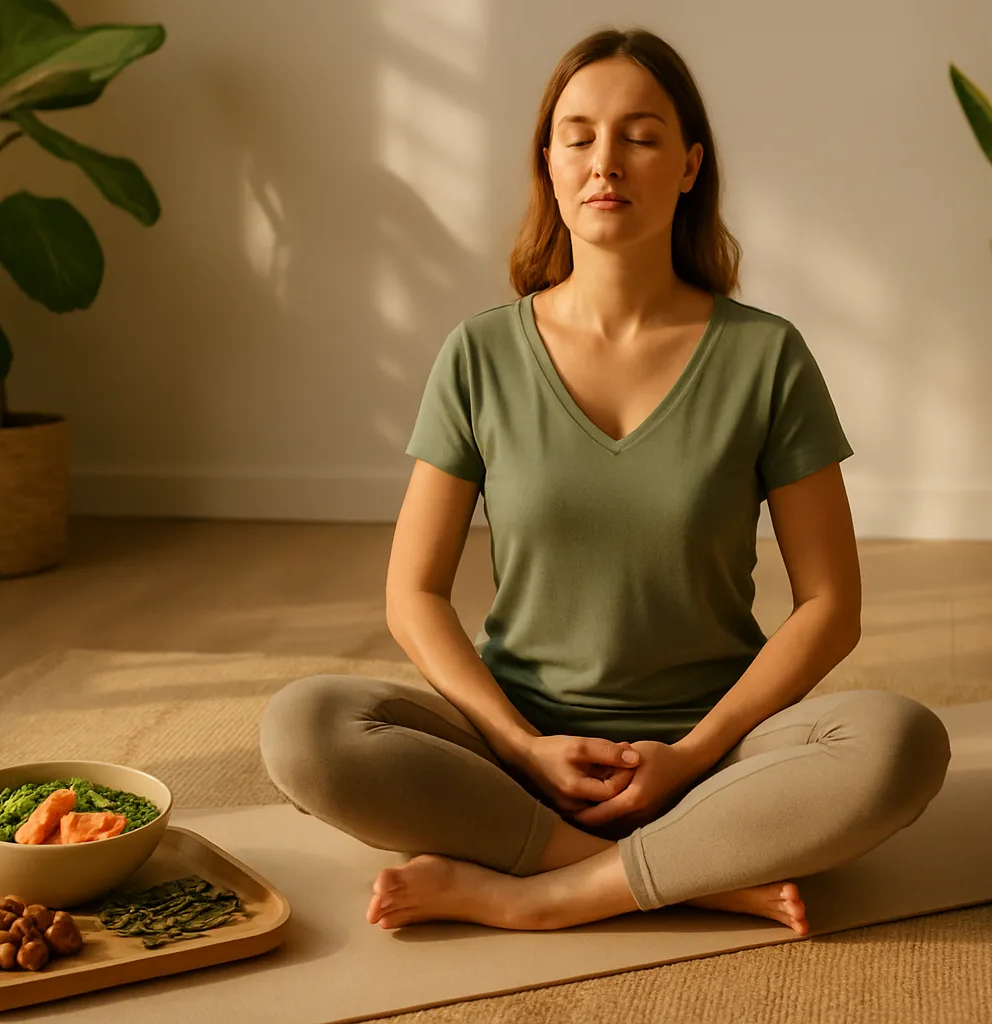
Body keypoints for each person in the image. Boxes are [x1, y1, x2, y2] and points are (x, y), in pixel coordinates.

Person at [259, 26, 951, 935]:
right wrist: (522, 745)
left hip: (721, 753)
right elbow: (413, 592)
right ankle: (686, 871)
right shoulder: (480, 353)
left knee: (900, 743)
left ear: (691, 164)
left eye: (642, 135)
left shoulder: (767, 356)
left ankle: (537, 891)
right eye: (578, 135)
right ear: (547, 162)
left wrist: (698, 755)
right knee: (305, 726)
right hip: (520, 750)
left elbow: (831, 604)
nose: (605, 162)